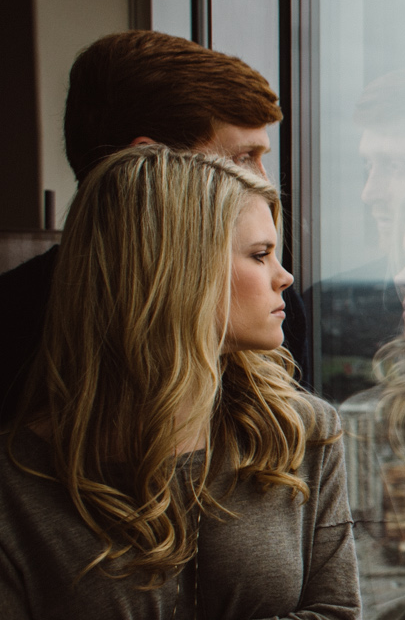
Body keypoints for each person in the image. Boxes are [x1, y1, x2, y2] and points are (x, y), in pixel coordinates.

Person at [0, 147, 362, 620]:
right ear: (177, 272)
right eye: (259, 254)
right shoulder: (16, 482)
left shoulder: (302, 434)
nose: (285, 276)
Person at [0, 30, 310, 425]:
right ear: (145, 164)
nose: (264, 183)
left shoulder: (274, 313)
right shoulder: (13, 326)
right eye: (244, 158)